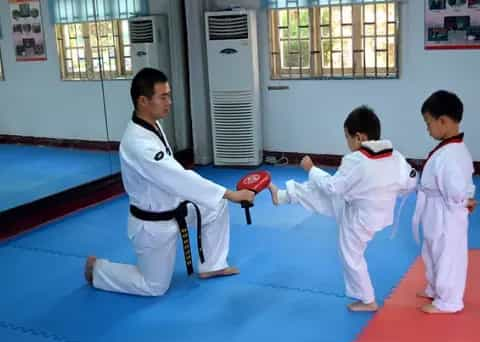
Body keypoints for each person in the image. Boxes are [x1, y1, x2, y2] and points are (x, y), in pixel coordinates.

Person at [83, 68, 255, 296]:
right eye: (163, 97)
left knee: (214, 206)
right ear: (143, 101)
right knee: (154, 287)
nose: (169, 102)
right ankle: (99, 270)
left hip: (174, 207)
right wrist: (231, 194)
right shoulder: (138, 142)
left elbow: (175, 177)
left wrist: (222, 196)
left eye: (169, 95)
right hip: (153, 225)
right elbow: (178, 177)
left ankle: (213, 266)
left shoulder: (152, 125)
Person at [268, 106, 418, 311]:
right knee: (318, 191)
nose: (346, 142)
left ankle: (368, 300)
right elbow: (410, 181)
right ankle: (283, 196)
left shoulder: (356, 159)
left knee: (351, 255)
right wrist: (389, 192)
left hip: (358, 219)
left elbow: (332, 186)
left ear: (359, 137)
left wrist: (310, 168)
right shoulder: (395, 156)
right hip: (377, 213)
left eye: (347, 137)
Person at [413, 90, 476, 314]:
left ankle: (449, 300)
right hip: (435, 209)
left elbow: (458, 187)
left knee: (447, 253)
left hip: (446, 212)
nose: (427, 128)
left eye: (428, 123)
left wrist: (462, 200)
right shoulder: (448, 149)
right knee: (430, 250)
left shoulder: (453, 153)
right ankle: (434, 287)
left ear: (444, 121)